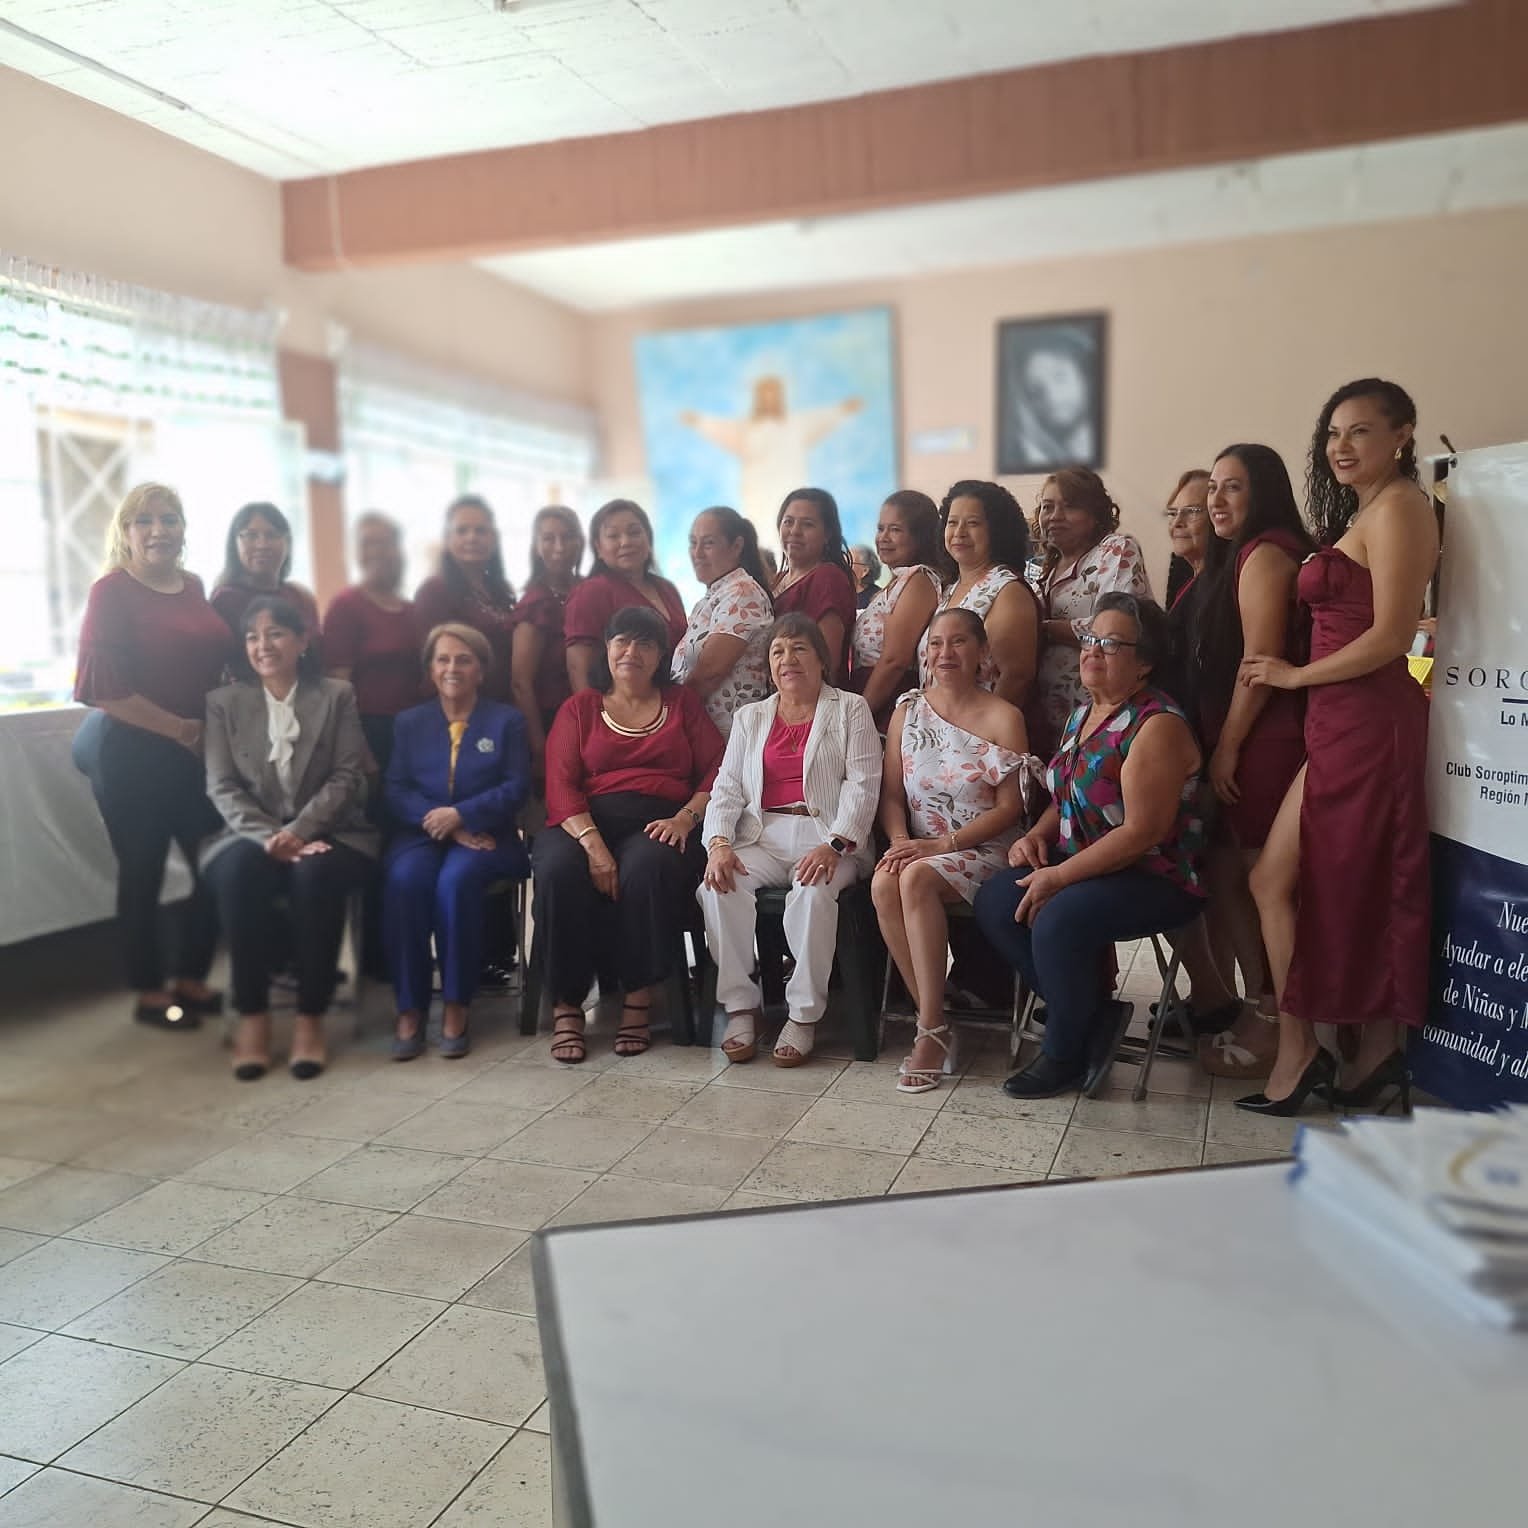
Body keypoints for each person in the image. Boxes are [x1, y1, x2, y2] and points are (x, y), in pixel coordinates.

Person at [1235, 379, 1437, 1116]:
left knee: (1353, 884)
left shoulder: (1403, 507)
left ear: (1402, 435)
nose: (1341, 447)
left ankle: (1358, 1052)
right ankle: (1317, 1049)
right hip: (1338, 722)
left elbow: (1392, 637)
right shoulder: (1367, 510)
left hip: (1372, 720)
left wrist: (1293, 675)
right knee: (1282, 882)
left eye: (1360, 431)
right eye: (1333, 433)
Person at [976, 593, 1208, 1099]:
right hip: (1087, 864)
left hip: (1152, 876)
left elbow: (1142, 832)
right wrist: (1036, 836)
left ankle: (1064, 1051)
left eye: (1111, 643)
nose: (1092, 651)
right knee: (996, 899)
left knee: (1059, 915)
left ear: (1145, 662)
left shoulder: (1156, 725)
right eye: (1089, 639)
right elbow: (1066, 796)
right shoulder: (1083, 714)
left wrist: (1058, 876)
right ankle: (1091, 1013)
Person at [72, 483, 230, 1029]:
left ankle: (190, 979)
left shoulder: (194, 585)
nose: (159, 530)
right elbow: (103, 690)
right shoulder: (111, 591)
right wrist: (181, 730)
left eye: (169, 519)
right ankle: (149, 992)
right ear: (126, 532)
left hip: (195, 752)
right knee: (143, 871)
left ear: (184, 528)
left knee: (213, 863)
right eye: (145, 521)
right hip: (133, 754)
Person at [535, 606, 724, 1063]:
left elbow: (720, 768)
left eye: (645, 643)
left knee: (646, 866)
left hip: (661, 821)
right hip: (583, 822)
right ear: (607, 647)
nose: (631, 652)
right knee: (558, 870)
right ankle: (567, 1006)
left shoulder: (682, 704)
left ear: (661, 654)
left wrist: (686, 818)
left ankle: (640, 997)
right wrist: (594, 846)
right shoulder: (580, 708)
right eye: (622, 640)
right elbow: (559, 785)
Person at [203, 597, 376, 1082]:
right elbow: (221, 785)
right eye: (253, 636)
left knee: (314, 876)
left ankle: (309, 1019)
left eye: (275, 633)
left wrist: (298, 833)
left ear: (302, 641)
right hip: (248, 832)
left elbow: (347, 776)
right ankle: (253, 1017)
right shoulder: (224, 702)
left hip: (331, 830)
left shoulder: (337, 694)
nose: (263, 645)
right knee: (236, 874)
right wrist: (272, 837)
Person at [698, 614, 881, 1067]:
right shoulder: (751, 717)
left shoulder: (850, 708)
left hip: (829, 837)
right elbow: (727, 787)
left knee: (813, 891)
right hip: (763, 835)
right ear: (769, 666)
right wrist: (718, 843)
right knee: (718, 886)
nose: (788, 659)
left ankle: (803, 1014)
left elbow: (863, 785)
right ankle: (742, 1007)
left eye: (799, 648)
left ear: (821, 660)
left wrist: (835, 844)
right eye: (778, 651)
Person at [872, 609, 1034, 1094]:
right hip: (920, 846)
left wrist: (943, 845)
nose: (945, 653)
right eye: (936, 643)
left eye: (959, 642)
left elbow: (1011, 808)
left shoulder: (1004, 717)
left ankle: (928, 1030)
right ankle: (935, 1018)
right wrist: (899, 842)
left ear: (982, 652)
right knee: (884, 881)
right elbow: (891, 796)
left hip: (983, 847)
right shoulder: (908, 710)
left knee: (915, 877)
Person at [1193, 446, 1316, 1079]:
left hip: (1265, 739)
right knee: (1226, 868)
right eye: (1212, 487)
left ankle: (1277, 1019)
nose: (1216, 500)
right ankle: (1260, 1003)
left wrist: (1229, 746)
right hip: (1246, 732)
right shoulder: (1242, 553)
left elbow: (1260, 664)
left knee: (1258, 878)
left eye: (1232, 487)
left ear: (1263, 491)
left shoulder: (1267, 553)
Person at [383, 624, 532, 1060]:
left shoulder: (506, 722)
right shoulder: (409, 723)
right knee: (405, 882)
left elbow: (516, 787)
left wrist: (463, 815)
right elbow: (395, 788)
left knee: (455, 883)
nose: (452, 668)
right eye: (443, 659)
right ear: (430, 669)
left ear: (481, 670)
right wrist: (447, 824)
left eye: (464, 660)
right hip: (422, 835)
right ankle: (409, 1008)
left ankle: (456, 1003)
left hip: (488, 837)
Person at [1033, 468, 1154, 755]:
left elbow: (1117, 629)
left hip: (1104, 717)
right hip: (1050, 719)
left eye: (1069, 506)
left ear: (1095, 513)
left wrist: (1043, 629)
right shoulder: (1044, 570)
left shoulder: (1116, 550)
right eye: (1047, 507)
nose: (1054, 516)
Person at [679, 377, 862, 546]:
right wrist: (698, 421)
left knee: (790, 531)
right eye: (764, 395)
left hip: (789, 491)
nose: (769, 399)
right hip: (758, 496)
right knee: (763, 536)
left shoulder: (795, 425)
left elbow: (822, 420)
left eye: (773, 394)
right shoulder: (747, 430)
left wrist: (843, 410)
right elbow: (720, 429)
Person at [917, 480, 1040, 716]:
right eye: (952, 522)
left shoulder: (1007, 589)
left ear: (996, 531)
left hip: (977, 731)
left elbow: (1016, 676)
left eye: (972, 523)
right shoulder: (951, 589)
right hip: (937, 727)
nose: (959, 533)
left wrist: (979, 730)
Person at [324, 512, 420, 774]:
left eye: (385, 542)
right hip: (369, 731)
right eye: (368, 543)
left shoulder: (412, 610)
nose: (377, 550)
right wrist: (361, 750)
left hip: (414, 730)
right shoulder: (345, 606)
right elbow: (338, 689)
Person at [564, 499, 687, 694]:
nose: (626, 542)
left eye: (634, 532)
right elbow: (579, 670)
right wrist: (593, 712)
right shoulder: (590, 592)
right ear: (598, 547)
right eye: (613, 536)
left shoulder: (666, 588)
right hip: (618, 707)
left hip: (671, 702)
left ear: (649, 539)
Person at [672, 506, 774, 737]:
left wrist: (671, 718)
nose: (697, 553)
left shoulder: (742, 593)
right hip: (703, 731)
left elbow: (710, 673)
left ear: (736, 546)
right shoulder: (718, 593)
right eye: (693, 542)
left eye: (708, 543)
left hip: (727, 738)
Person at [851, 489, 943, 729]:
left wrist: (859, 716)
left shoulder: (919, 580)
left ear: (920, 536)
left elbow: (895, 660)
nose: (883, 538)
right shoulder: (896, 582)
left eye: (895, 530)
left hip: (888, 701)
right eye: (880, 528)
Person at [413, 495, 517, 702]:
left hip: (501, 704)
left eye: (480, 531)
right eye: (462, 530)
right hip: (456, 708)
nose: (472, 537)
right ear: (447, 539)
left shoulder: (500, 590)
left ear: (493, 538)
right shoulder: (433, 591)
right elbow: (432, 664)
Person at [509, 504, 585, 779]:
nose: (559, 547)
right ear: (536, 546)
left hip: (593, 716)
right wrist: (540, 748)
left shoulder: (589, 588)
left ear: (580, 541)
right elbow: (521, 683)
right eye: (549, 538)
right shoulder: (536, 602)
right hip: (551, 719)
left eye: (568, 537)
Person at [771, 488, 859, 681]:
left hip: (811, 694)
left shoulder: (828, 578)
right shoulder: (776, 580)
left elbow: (828, 662)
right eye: (788, 522)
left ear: (827, 534)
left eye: (807, 524)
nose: (795, 531)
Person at [211, 502, 321, 650]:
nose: (262, 545)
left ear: (287, 542)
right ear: (234, 544)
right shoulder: (226, 600)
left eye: (272, 535)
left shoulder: (299, 597)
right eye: (251, 535)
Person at [849, 543, 881, 609]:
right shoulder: (838, 592)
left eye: (849, 562)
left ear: (865, 571)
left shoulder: (878, 598)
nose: (843, 566)